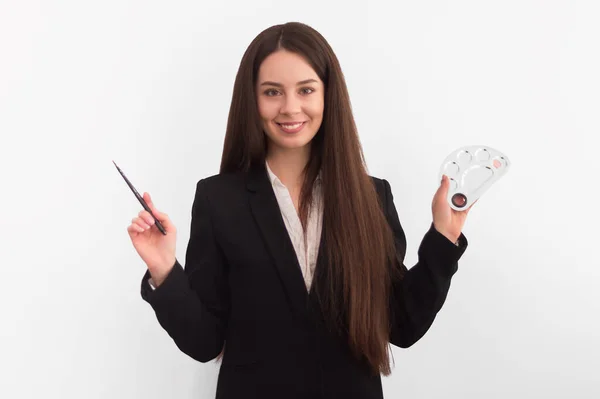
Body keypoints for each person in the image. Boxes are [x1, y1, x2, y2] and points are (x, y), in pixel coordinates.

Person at [127, 21, 473, 399]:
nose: (290, 107)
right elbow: (204, 341)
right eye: (272, 92)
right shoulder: (218, 199)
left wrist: (444, 236)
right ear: (252, 99)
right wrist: (164, 270)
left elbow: (402, 326)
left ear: (327, 95)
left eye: (306, 90)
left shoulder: (372, 197)